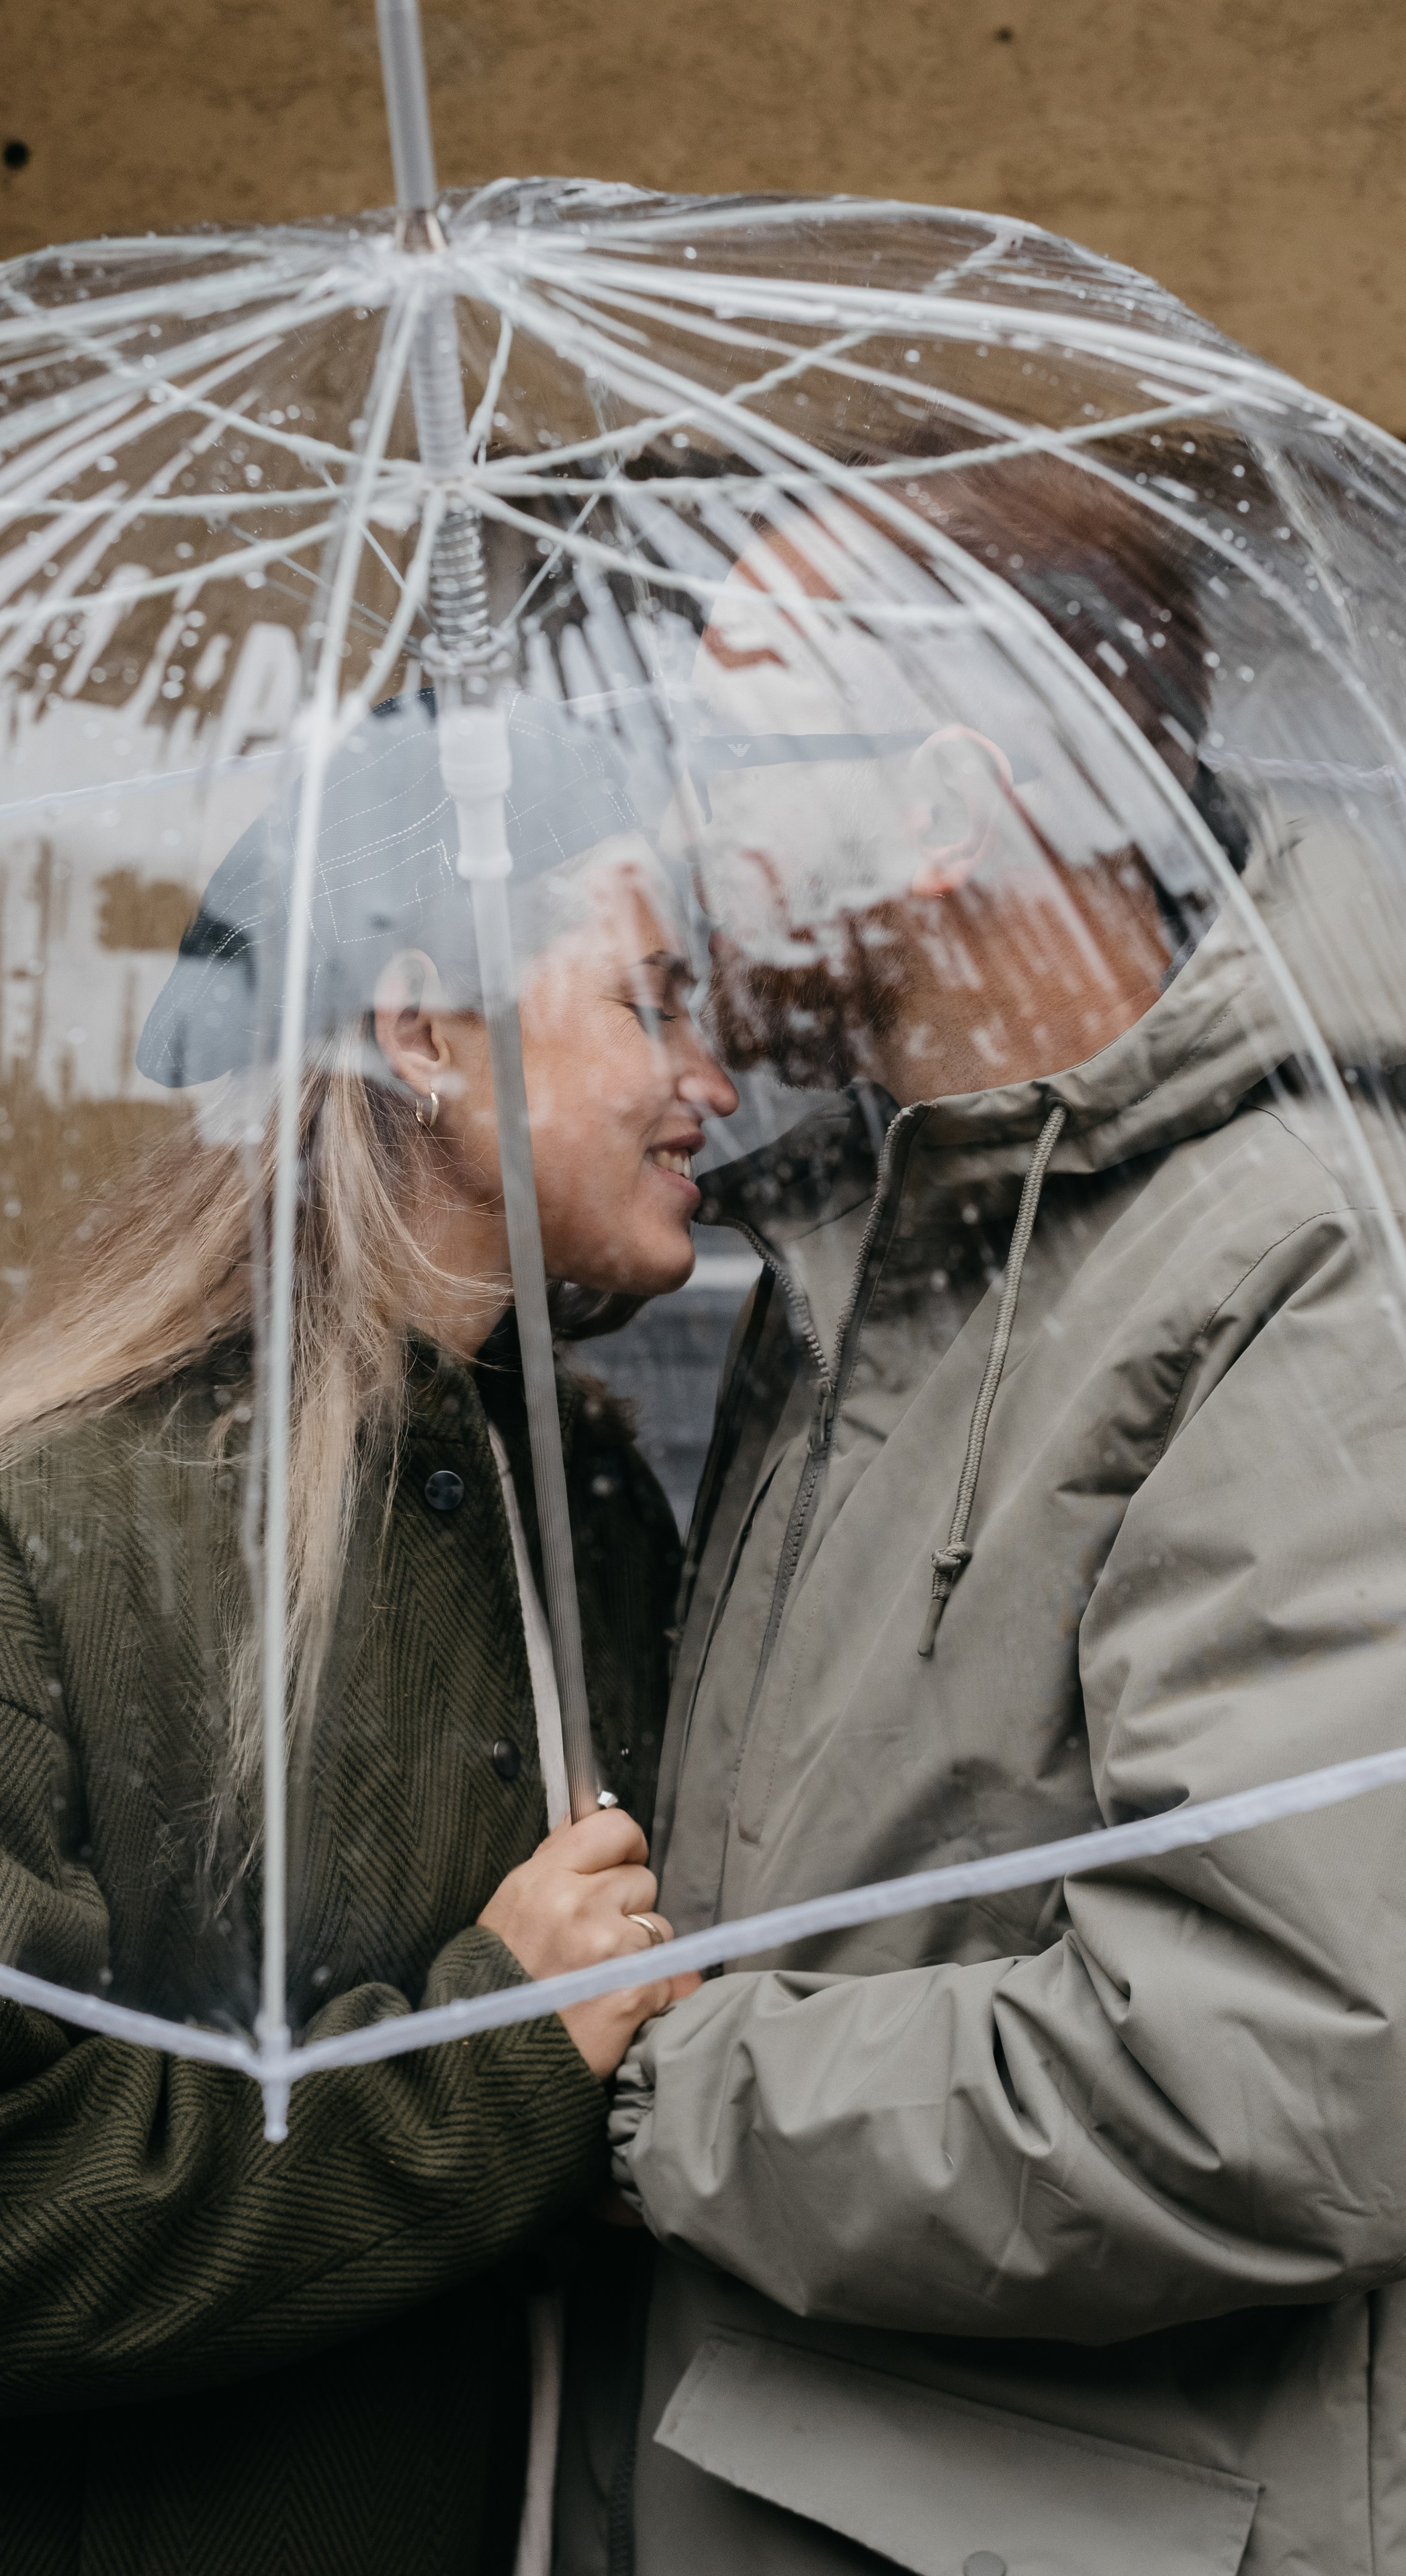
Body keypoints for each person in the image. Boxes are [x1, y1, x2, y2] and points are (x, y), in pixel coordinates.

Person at [570, 448, 1406, 2576]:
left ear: (951, 808)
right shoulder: (903, 1245)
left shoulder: (1326, 1276)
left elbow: (1308, 2070)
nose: (675, 829)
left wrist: (635, 2093)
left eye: (738, 738)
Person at [0, 694, 736, 2576]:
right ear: (425, 1030)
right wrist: (494, 2057)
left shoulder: (589, 1522)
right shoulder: (61, 1520)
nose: (713, 1078)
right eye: (650, 1001)